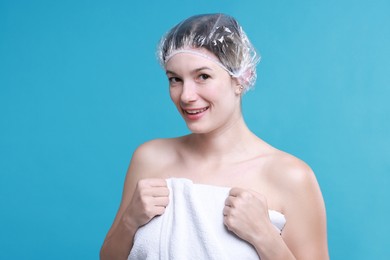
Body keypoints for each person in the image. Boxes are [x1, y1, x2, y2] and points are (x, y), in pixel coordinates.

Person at [100, 13, 329, 260]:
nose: (186, 95)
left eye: (203, 76)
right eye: (175, 79)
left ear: (241, 78)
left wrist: (265, 237)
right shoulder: (149, 158)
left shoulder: (290, 176)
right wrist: (130, 220)